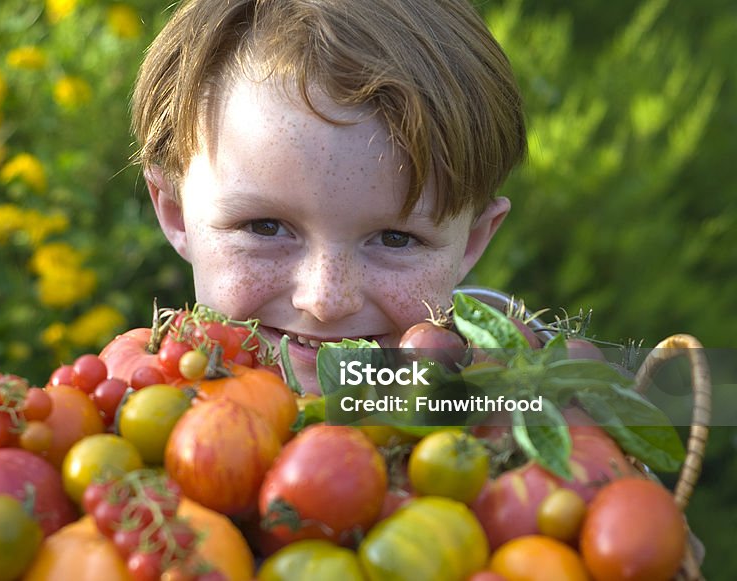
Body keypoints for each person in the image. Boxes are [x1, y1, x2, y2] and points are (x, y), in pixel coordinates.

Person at [130, 0, 527, 395]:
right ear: (177, 213)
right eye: (265, 228)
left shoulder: (518, 424)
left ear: (473, 241)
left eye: (395, 238)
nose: (326, 301)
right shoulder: (114, 424)